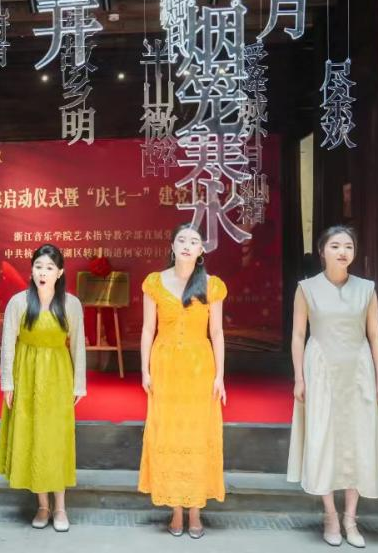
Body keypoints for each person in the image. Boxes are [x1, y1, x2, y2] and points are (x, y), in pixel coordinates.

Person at [287, 226, 378, 548]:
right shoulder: (306, 289)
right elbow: (298, 336)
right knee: (324, 438)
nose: (342, 251)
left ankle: (351, 519)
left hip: (358, 370)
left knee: (359, 439)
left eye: (348, 246)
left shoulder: (366, 289)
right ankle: (330, 515)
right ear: (322, 251)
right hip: (321, 370)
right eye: (335, 246)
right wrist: (299, 377)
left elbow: (375, 335)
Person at [138, 224, 227, 539]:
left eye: (194, 241)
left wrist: (220, 375)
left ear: (201, 251)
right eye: (182, 240)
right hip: (165, 365)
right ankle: (175, 509)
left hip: (199, 366)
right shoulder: (154, 282)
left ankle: (195, 509)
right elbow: (147, 329)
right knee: (169, 435)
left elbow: (217, 332)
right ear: (172, 246)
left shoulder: (212, 285)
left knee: (197, 434)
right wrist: (145, 370)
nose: (187, 245)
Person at [0, 243, 86, 533]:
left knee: (55, 439)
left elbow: (78, 346)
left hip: (58, 375)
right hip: (26, 375)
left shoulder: (71, 304)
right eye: (38, 267)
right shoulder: (18, 302)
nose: (43, 273)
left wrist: (79, 384)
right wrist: (7, 383)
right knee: (34, 436)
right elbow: (8, 345)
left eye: (49, 268)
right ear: (31, 270)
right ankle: (42, 505)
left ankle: (60, 507)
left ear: (59, 272)